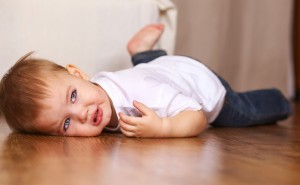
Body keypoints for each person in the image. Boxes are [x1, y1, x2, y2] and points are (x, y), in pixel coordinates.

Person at [0, 24, 292, 138]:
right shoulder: (97, 88)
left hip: (201, 84)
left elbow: (197, 116)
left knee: (245, 110)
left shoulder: (141, 96)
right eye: (66, 124)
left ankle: (282, 101)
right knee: (149, 68)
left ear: (78, 73)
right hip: (162, 70)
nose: (82, 113)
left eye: (73, 97)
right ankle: (143, 53)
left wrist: (163, 127)